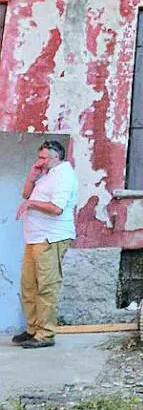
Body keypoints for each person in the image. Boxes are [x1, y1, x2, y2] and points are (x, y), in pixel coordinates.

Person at [14, 139, 78, 349]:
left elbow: (56, 208)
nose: (39, 161)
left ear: (55, 157)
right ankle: (33, 328)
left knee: (46, 287)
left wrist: (31, 204)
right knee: (29, 286)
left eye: (43, 158)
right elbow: (25, 194)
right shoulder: (48, 175)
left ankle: (46, 333)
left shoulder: (64, 176)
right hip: (35, 237)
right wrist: (32, 177)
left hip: (51, 238)